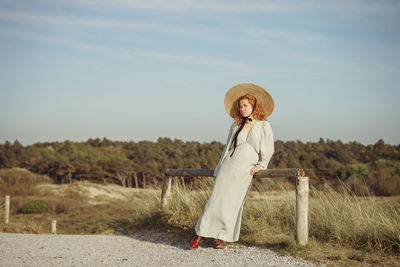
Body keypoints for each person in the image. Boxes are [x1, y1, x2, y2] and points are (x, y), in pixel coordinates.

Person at [189, 82, 275, 250]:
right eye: (240, 106)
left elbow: (268, 148)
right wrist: (218, 167)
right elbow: (227, 147)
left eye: (245, 105)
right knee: (215, 200)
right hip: (228, 166)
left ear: (254, 106)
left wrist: (261, 165)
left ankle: (221, 237)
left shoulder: (264, 125)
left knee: (233, 203)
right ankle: (200, 234)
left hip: (245, 170)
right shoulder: (236, 125)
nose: (242, 109)